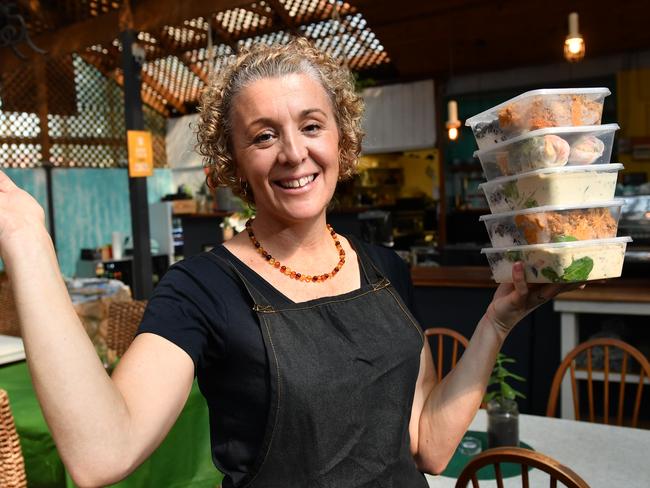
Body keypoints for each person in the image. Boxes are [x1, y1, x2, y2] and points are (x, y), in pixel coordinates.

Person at [0, 38, 581, 488]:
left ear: (341, 140)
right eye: (263, 136)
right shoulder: (201, 289)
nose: (294, 153)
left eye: (310, 126)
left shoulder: (387, 270)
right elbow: (102, 452)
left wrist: (495, 323)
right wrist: (27, 236)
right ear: (233, 162)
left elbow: (426, 442)